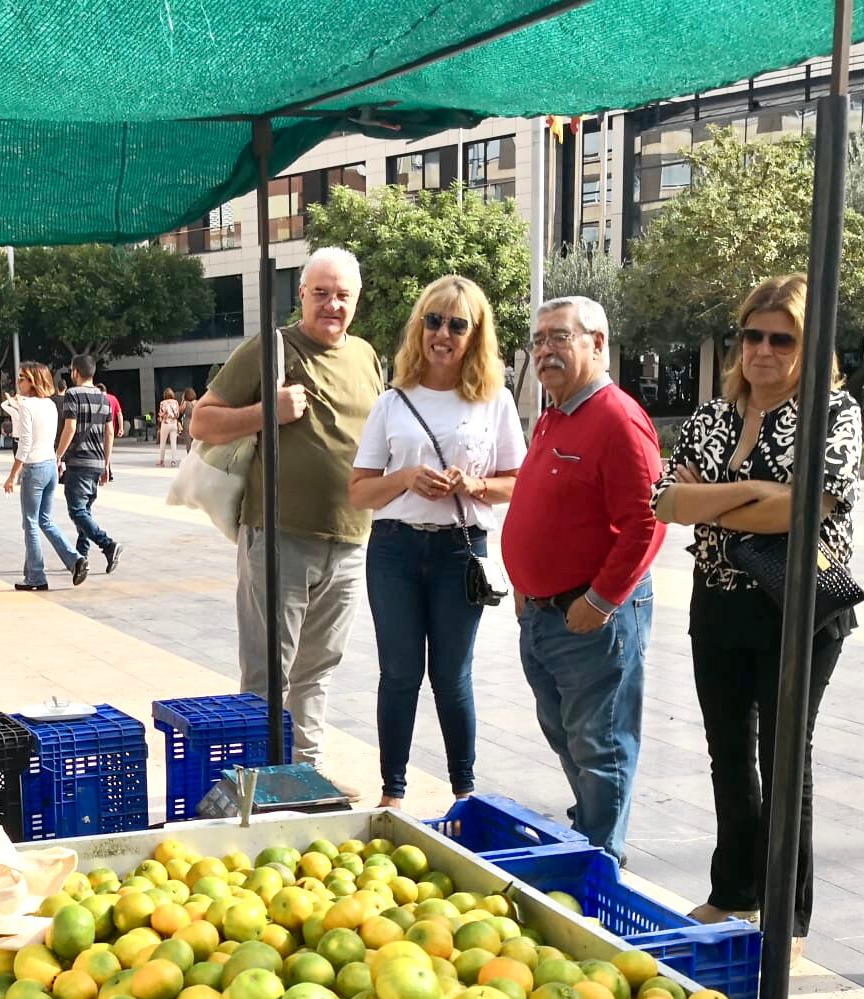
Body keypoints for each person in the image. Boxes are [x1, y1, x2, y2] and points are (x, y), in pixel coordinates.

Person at [653, 274, 863, 953]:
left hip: (795, 605)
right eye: (753, 334)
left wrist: (714, 497)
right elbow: (667, 502)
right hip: (717, 601)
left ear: (809, 346)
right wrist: (757, 496)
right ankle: (732, 892)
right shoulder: (712, 415)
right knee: (725, 754)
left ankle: (785, 914)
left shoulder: (833, 413)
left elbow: (806, 507)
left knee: (783, 754)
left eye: (783, 337)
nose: (764, 349)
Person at [192, 246, 385, 776]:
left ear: (357, 299)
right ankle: (259, 779)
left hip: (349, 541)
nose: (332, 304)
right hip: (278, 537)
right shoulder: (271, 348)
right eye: (320, 293)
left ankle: (305, 774)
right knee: (266, 675)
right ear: (301, 294)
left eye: (342, 295)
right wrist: (266, 412)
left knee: (318, 670)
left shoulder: (367, 357)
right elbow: (201, 422)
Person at [350, 275, 524, 812]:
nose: (442, 334)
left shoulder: (494, 401)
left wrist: (474, 486)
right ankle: (393, 794)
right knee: (399, 673)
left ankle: (463, 792)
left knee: (452, 676)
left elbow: (519, 482)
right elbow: (358, 490)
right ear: (418, 327)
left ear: (476, 335)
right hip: (395, 549)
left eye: (456, 324)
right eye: (433, 320)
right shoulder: (393, 402)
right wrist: (405, 479)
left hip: (460, 550)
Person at [500, 296, 664, 861]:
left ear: (598, 344)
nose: (545, 350)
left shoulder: (617, 418)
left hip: (592, 621)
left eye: (559, 338)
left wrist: (601, 598)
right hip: (545, 616)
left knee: (600, 745)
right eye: (538, 340)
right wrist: (525, 584)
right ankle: (590, 832)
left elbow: (649, 521)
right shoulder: (555, 414)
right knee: (569, 735)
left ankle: (601, 858)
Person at [4, 362, 78, 591]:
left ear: (34, 381)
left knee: (31, 523)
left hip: (34, 467)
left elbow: (24, 443)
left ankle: (36, 576)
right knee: (44, 520)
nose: (18, 382)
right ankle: (75, 560)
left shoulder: (28, 406)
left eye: (22, 379)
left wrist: (12, 475)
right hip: (49, 465)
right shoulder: (50, 405)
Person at [58, 354, 123, 578]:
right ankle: (80, 556)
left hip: (78, 461)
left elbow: (70, 428)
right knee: (84, 510)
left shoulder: (72, 394)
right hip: (97, 462)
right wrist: (106, 464)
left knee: (76, 511)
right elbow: (110, 432)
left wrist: (58, 455)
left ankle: (108, 545)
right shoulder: (104, 398)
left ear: (76, 371)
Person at [157, 388, 181, 465]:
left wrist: (161, 418)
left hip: (165, 424)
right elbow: (177, 414)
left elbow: (161, 414)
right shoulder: (176, 402)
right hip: (174, 424)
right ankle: (173, 461)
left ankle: (161, 460)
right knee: (173, 443)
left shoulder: (163, 403)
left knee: (163, 443)